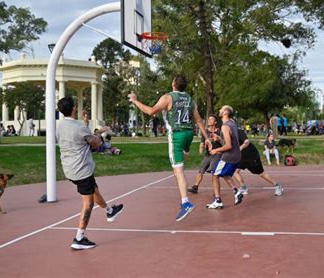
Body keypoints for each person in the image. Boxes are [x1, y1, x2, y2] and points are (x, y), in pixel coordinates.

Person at [128, 75, 210, 221]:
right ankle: (184, 155)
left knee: (178, 171)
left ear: (173, 84)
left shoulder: (168, 97)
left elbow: (151, 111)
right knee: (182, 158)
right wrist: (207, 138)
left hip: (177, 136)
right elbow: (198, 120)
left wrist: (135, 101)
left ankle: (186, 203)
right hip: (189, 134)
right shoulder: (190, 99)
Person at [56, 96, 124, 250]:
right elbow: (96, 143)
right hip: (81, 170)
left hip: (69, 168)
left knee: (94, 190)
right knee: (88, 204)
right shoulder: (79, 127)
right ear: (74, 108)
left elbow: (79, 137)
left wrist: (85, 123)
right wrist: (101, 131)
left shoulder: (59, 126)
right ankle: (79, 238)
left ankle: (110, 211)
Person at [206, 105, 244, 209]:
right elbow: (230, 141)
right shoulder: (232, 124)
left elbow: (228, 146)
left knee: (215, 175)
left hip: (229, 156)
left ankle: (218, 201)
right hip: (237, 155)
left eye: (221, 109)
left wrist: (215, 150)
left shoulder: (225, 126)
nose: (219, 110)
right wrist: (219, 139)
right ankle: (236, 192)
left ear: (225, 112)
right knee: (223, 173)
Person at [232, 128, 283, 196]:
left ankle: (277, 185)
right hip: (241, 156)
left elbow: (247, 141)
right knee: (235, 171)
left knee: (261, 173)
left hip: (250, 155)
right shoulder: (226, 134)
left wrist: (241, 147)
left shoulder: (238, 131)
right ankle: (243, 188)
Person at [188, 114, 222, 194]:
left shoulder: (220, 132)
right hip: (208, 155)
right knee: (201, 170)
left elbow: (224, 143)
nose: (209, 121)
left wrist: (218, 140)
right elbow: (202, 143)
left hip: (217, 154)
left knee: (214, 173)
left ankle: (216, 191)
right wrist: (201, 149)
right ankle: (195, 187)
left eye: (211, 119)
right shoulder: (205, 132)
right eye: (209, 119)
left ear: (215, 122)